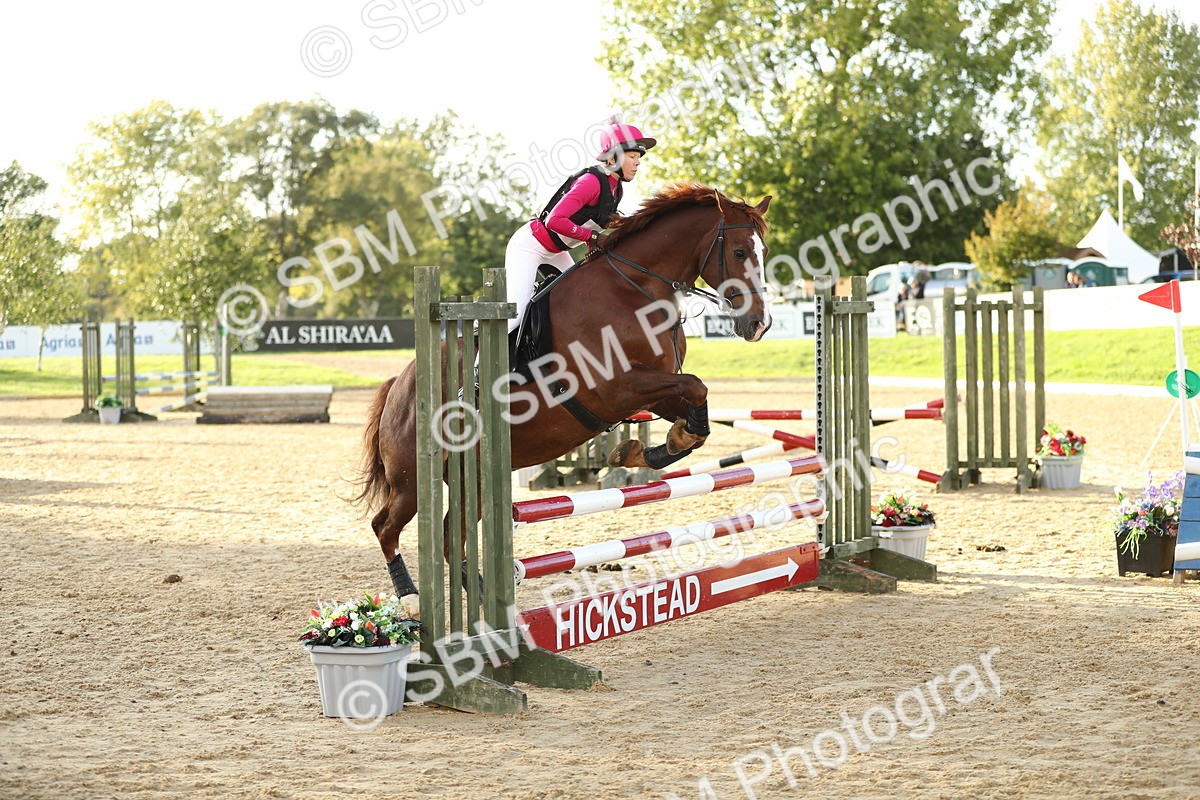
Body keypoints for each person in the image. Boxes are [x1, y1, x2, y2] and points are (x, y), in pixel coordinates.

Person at [504, 119, 656, 333]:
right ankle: (478, 364)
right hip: (529, 246)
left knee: (584, 300)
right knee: (516, 314)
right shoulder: (591, 182)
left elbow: (595, 223)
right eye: (632, 156)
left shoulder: (616, 189)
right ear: (613, 158)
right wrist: (592, 237)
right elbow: (554, 221)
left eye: (638, 157)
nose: (638, 162)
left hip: (556, 251)